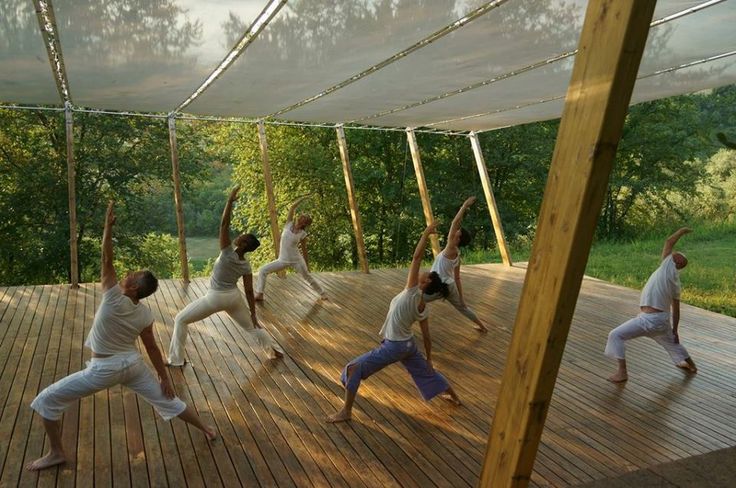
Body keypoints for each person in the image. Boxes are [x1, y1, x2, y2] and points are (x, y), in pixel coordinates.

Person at [26, 202, 215, 471]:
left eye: (130, 275)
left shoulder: (114, 296)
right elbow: (151, 348)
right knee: (168, 400)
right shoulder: (145, 314)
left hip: (105, 369)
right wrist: (164, 377)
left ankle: (56, 453)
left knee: (45, 400)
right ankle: (206, 428)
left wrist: (107, 227)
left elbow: (106, 259)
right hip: (132, 366)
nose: (125, 275)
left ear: (134, 287)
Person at [326, 223, 461, 423]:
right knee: (425, 370)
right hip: (408, 345)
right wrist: (430, 359)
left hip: (395, 346)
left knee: (354, 368)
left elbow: (416, 257)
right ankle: (454, 396)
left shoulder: (412, 291)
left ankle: (346, 412)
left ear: (425, 284)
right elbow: (426, 336)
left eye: (426, 275)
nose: (422, 272)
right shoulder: (423, 306)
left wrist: (425, 233)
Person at [167, 187, 284, 367]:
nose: (237, 236)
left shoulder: (227, 252)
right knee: (252, 327)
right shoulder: (246, 265)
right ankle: (275, 350)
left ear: (243, 243)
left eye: (241, 236)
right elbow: (249, 290)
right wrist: (253, 314)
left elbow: (223, 225)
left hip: (215, 297)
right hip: (233, 298)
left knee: (180, 319)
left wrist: (229, 201)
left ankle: (176, 360)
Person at [605, 227, 698, 383]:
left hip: (650, 320)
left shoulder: (667, 266)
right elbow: (676, 310)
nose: (674, 254)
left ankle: (622, 373)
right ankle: (692, 366)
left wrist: (682, 231)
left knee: (615, 335)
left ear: (676, 261)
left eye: (677, 255)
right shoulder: (675, 282)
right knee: (672, 344)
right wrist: (675, 330)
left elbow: (669, 241)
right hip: (660, 321)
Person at [425, 196, 489, 332]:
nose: (454, 232)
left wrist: (465, 206)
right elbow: (457, 278)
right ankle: (483, 327)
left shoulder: (450, 247)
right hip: (449, 287)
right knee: (463, 308)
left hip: (437, 286)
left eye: (457, 233)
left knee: (412, 299)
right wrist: (461, 298)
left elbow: (454, 222)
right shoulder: (457, 255)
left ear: (458, 239)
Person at [255, 195, 326, 301]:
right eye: (302, 216)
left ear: (305, 223)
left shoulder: (302, 234)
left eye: (304, 218)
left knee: (307, 276)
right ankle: (259, 294)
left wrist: (306, 263)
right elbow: (292, 207)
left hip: (296, 260)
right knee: (262, 270)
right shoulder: (288, 224)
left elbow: (304, 249)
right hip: (282, 260)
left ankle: (322, 293)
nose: (301, 218)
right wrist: (303, 199)